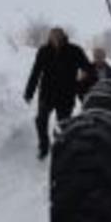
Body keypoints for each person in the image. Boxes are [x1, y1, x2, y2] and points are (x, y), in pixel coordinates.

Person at [24, 27, 93, 159]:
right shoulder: (43, 51)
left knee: (64, 124)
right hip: (47, 94)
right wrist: (29, 92)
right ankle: (44, 146)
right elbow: (36, 72)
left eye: (58, 37)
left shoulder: (74, 50)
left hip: (66, 95)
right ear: (50, 38)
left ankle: (62, 148)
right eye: (53, 37)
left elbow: (87, 67)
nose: (55, 39)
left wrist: (83, 78)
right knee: (40, 121)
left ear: (63, 37)